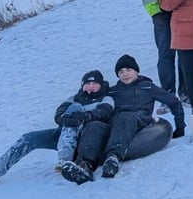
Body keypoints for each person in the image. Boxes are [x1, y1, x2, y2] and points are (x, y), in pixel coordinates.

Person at [0, 70, 113, 184]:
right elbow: (59, 114)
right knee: (28, 138)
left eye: (95, 84)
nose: (91, 86)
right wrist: (66, 118)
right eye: (87, 83)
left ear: (101, 85)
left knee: (75, 110)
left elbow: (104, 113)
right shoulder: (73, 98)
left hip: (88, 137)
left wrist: (85, 116)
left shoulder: (106, 98)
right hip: (64, 135)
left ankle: (65, 161)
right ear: (82, 85)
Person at [66, 55, 185, 183]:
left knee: (125, 116)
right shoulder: (112, 91)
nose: (125, 74)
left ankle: (113, 158)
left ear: (136, 71)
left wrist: (180, 127)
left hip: (140, 124)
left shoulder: (147, 87)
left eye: (128, 70)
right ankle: (85, 165)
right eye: (121, 72)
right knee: (94, 125)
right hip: (115, 126)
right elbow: (94, 102)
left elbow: (174, 102)